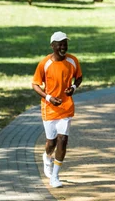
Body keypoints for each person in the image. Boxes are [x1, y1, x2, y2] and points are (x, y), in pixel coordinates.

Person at [32, 31, 82, 188]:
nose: (63, 47)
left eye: (65, 44)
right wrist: (48, 98)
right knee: (51, 142)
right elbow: (35, 84)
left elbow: (79, 77)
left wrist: (73, 87)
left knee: (63, 140)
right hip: (49, 108)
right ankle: (47, 157)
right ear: (52, 45)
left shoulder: (73, 60)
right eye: (59, 44)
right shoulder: (44, 63)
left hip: (66, 106)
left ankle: (55, 176)